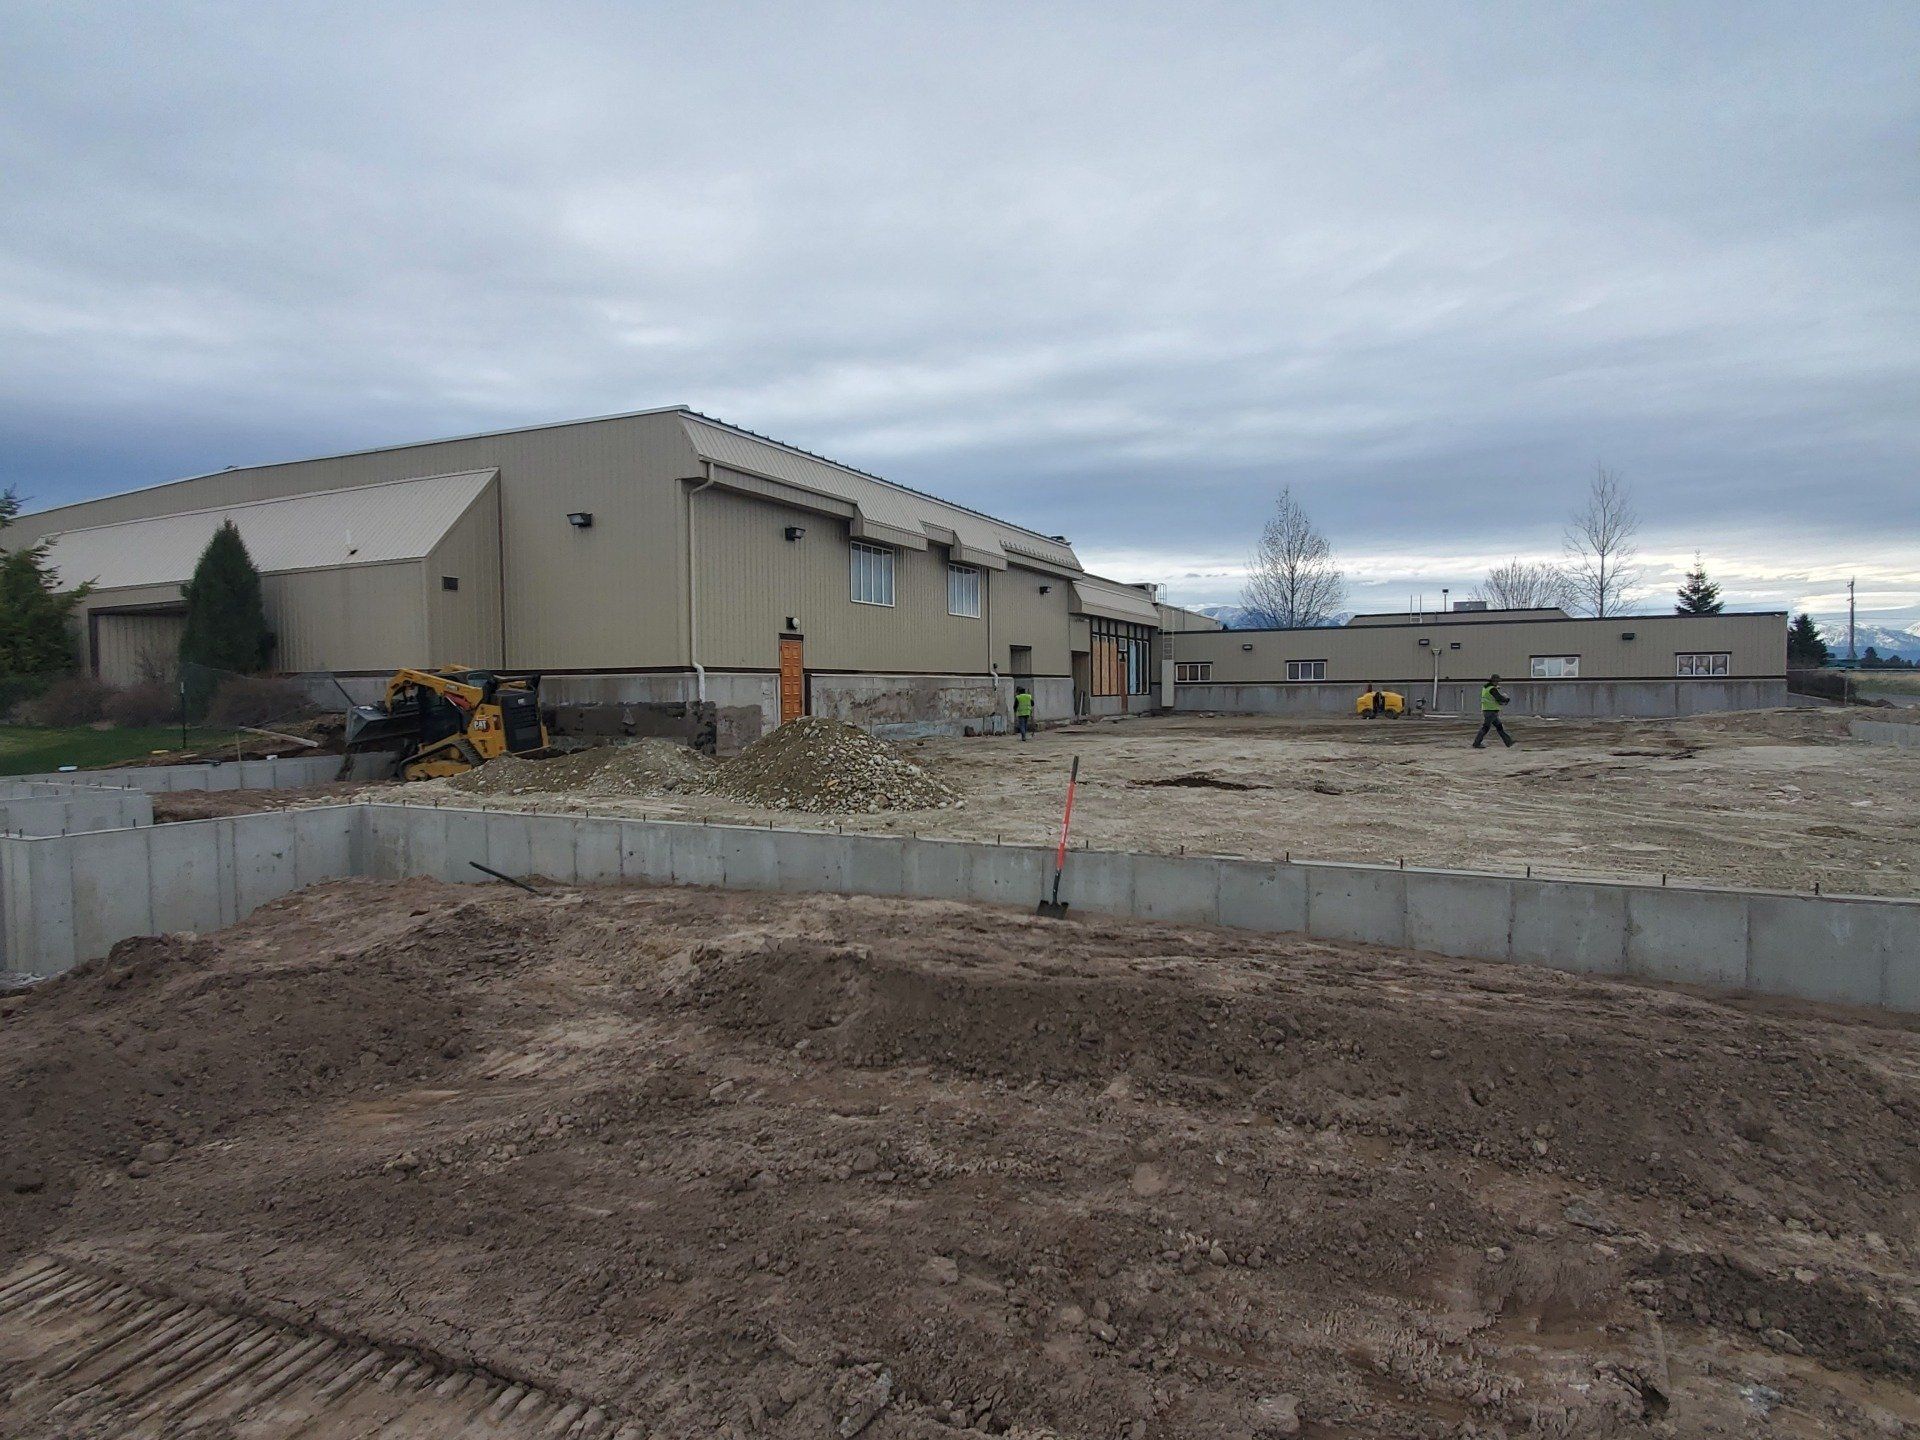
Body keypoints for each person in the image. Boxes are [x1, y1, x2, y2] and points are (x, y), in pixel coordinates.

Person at [1474, 674, 1515, 748]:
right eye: (1497, 681)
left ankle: (1509, 742)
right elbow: (1499, 698)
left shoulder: (1486, 688)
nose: (1498, 683)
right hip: (1491, 711)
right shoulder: (1492, 689)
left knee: (1499, 727)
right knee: (1486, 728)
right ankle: (1476, 743)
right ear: (1494, 681)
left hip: (1488, 710)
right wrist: (1506, 699)